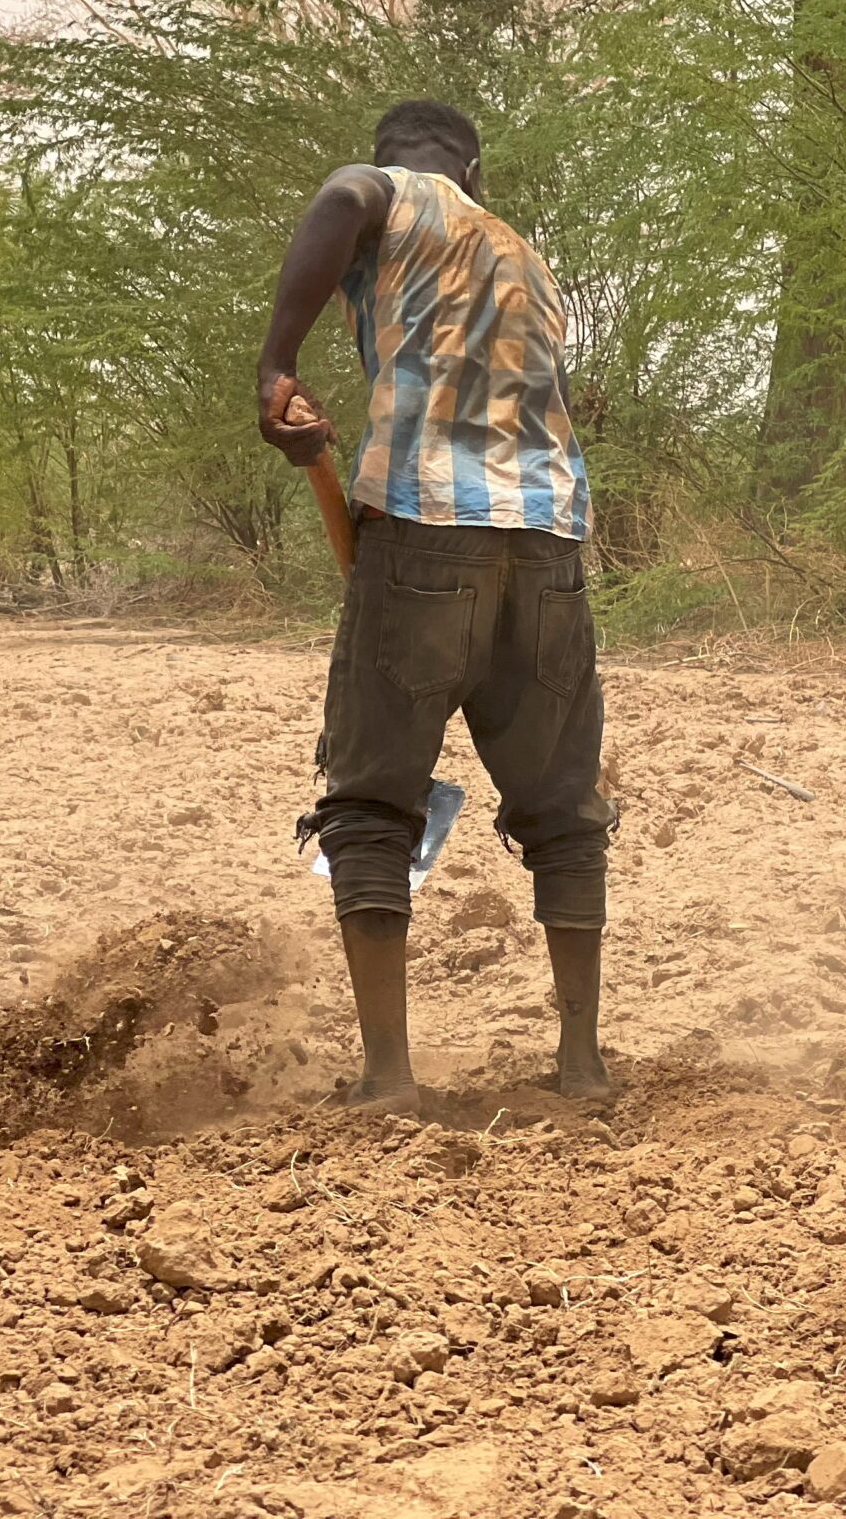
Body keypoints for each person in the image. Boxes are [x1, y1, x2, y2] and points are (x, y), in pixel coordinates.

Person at [256, 100, 617, 1114]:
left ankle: (387, 1077)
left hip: (422, 526)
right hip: (548, 539)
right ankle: (582, 1066)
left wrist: (278, 362)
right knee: (562, 812)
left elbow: (340, 195)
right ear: (478, 168)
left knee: (370, 804)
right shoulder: (526, 253)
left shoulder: (392, 195)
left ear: (406, 163)